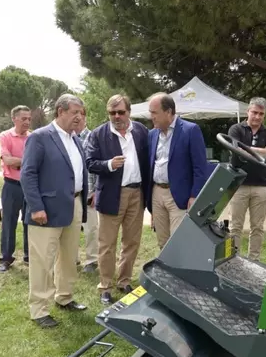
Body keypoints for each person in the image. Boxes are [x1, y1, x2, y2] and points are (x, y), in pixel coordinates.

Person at [21, 93, 89, 328]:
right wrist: (36, 207)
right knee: (43, 261)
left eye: (81, 113)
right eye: (74, 113)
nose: (79, 117)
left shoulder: (76, 139)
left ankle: (64, 297)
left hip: (74, 204)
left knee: (69, 257)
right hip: (46, 210)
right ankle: (39, 310)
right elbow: (27, 174)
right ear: (60, 112)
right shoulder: (40, 137)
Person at [85, 94, 149, 304]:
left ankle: (124, 280)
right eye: (112, 113)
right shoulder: (98, 134)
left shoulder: (140, 131)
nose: (117, 116)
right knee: (107, 244)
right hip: (112, 194)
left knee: (131, 241)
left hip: (136, 194)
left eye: (121, 112)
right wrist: (109, 165)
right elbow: (90, 163)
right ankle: (105, 286)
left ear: (129, 112)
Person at [147, 92, 208, 249]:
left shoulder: (190, 130)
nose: (151, 117)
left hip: (180, 195)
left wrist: (195, 195)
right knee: (162, 241)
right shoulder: (152, 134)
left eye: (154, 113)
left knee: (178, 242)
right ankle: (165, 273)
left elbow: (200, 167)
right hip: (156, 193)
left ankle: (180, 273)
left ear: (168, 112)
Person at [227, 97, 266, 261]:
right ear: (247, 112)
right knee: (235, 226)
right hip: (239, 184)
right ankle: (232, 259)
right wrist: (263, 151)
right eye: (254, 112)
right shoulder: (236, 129)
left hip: (261, 185)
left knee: (257, 227)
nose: (257, 117)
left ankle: (254, 260)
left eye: (261, 114)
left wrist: (249, 149)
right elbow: (237, 149)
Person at [0, 105, 31, 272]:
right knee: (9, 222)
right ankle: (6, 258)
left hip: (29, 186)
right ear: (14, 119)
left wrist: (19, 163)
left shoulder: (33, 137)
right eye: (23, 118)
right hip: (11, 185)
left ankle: (29, 256)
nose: (27, 122)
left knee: (29, 222)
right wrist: (27, 162)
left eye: (29, 119)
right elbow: (8, 161)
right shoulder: (5, 136)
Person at [75, 109, 99, 273]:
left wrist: (96, 191)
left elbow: (97, 166)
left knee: (91, 228)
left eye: (80, 115)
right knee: (72, 228)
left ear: (85, 117)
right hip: (72, 192)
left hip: (89, 191)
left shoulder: (93, 137)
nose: (77, 118)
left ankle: (92, 260)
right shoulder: (68, 138)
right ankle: (72, 258)